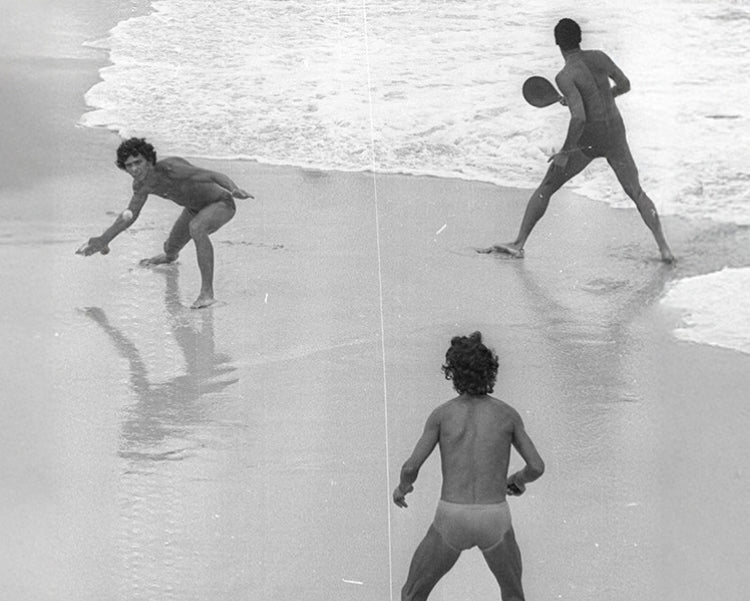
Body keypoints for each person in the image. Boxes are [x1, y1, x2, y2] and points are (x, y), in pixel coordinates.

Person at [483, 18, 674, 263]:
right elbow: (624, 85)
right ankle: (664, 249)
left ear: (557, 43)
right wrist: (603, 98)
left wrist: (565, 152)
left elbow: (579, 118)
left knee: (547, 186)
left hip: (590, 137)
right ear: (580, 38)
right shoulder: (600, 57)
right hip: (615, 131)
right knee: (636, 192)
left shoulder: (565, 76)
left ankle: (518, 243)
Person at [393, 332, 545, 601]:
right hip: (493, 515)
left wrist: (403, 488)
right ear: (490, 371)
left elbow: (410, 468)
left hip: (452, 515)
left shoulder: (442, 415)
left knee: (412, 594)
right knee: (513, 596)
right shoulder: (508, 415)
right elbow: (536, 466)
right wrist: (517, 480)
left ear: (453, 373)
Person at [77, 137, 252, 308]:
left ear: (149, 160)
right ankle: (170, 256)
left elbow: (213, 175)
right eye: (129, 165)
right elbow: (131, 214)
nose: (134, 169)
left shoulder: (172, 169)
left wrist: (234, 188)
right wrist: (104, 239)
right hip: (192, 210)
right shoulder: (141, 185)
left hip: (221, 203)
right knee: (170, 249)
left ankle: (207, 294)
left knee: (197, 228)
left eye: (138, 162)